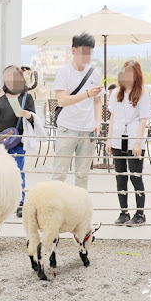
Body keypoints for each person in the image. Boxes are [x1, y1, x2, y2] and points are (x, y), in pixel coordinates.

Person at [0, 66, 36, 218]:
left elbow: (34, 120)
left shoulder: (26, 97)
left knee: (17, 172)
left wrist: (28, 115)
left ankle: (20, 202)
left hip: (17, 141)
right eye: (7, 77)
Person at [52, 32, 104, 189]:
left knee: (83, 175)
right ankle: (54, 208)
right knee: (59, 173)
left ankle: (79, 210)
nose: (87, 55)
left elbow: (98, 101)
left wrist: (98, 123)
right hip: (67, 128)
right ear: (74, 50)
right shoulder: (63, 72)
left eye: (90, 52)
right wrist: (86, 93)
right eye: (84, 51)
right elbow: (63, 100)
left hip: (88, 130)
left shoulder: (94, 73)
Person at [106, 60, 151, 226]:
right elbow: (112, 118)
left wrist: (138, 143)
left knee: (135, 176)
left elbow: (143, 120)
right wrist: (109, 139)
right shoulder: (116, 93)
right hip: (119, 138)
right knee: (120, 177)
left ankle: (140, 214)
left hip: (134, 138)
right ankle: (123, 212)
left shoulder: (142, 94)